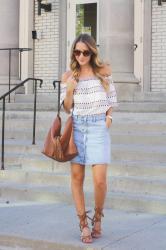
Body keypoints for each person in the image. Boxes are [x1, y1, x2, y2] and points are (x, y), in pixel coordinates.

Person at [60, 33, 117, 244]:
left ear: (92, 52)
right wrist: (70, 91)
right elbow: (66, 108)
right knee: (76, 178)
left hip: (97, 126)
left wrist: (108, 118)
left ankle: (98, 217)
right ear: (73, 52)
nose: (81, 55)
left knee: (100, 180)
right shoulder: (68, 76)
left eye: (85, 52)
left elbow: (111, 98)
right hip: (76, 127)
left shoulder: (103, 71)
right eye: (77, 51)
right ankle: (83, 223)